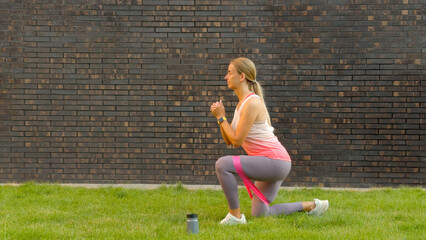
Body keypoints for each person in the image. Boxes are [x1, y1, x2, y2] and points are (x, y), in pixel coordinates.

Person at [210, 57, 329, 225]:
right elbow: (229, 141)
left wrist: (222, 118)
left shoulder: (251, 103)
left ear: (242, 76)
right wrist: (220, 118)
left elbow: (237, 141)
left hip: (274, 161)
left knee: (222, 164)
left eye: (229, 72)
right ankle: (313, 206)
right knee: (260, 214)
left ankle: (235, 216)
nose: (226, 77)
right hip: (271, 162)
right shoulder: (241, 105)